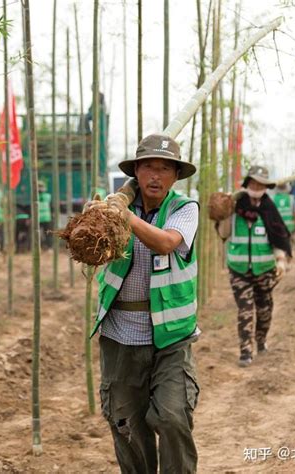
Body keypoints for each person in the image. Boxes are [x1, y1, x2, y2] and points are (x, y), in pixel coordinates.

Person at [85, 134, 200, 473]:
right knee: (127, 427)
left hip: (171, 337)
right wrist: (96, 218)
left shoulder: (184, 209)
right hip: (120, 336)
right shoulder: (116, 207)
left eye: (165, 168)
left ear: (175, 177)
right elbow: (89, 247)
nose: (156, 175)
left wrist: (124, 217)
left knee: (173, 416)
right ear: (136, 172)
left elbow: (166, 243)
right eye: (149, 167)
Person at [215, 166, 292, 367]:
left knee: (265, 309)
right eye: (253, 183)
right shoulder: (235, 208)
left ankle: (261, 340)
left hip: (265, 270)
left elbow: (278, 237)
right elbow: (223, 234)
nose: (257, 187)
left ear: (266, 187)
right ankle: (245, 351)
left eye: (261, 184)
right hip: (239, 270)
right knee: (245, 310)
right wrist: (222, 213)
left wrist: (281, 260)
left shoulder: (269, 209)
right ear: (247, 184)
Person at [37, 180, 52, 250]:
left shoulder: (45, 196)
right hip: (44, 217)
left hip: (42, 218)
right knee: (44, 234)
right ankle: (47, 247)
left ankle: (47, 247)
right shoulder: (48, 196)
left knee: (45, 234)